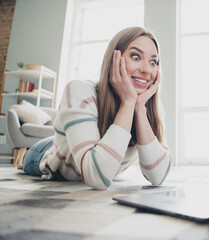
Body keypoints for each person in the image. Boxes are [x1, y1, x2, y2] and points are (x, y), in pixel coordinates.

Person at [22, 27, 172, 190]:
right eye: (136, 57)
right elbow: (97, 178)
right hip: (46, 154)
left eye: (153, 62)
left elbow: (159, 175)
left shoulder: (147, 104)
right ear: (114, 59)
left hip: (80, 143)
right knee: (27, 160)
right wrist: (128, 102)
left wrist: (139, 108)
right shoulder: (80, 91)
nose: (146, 69)